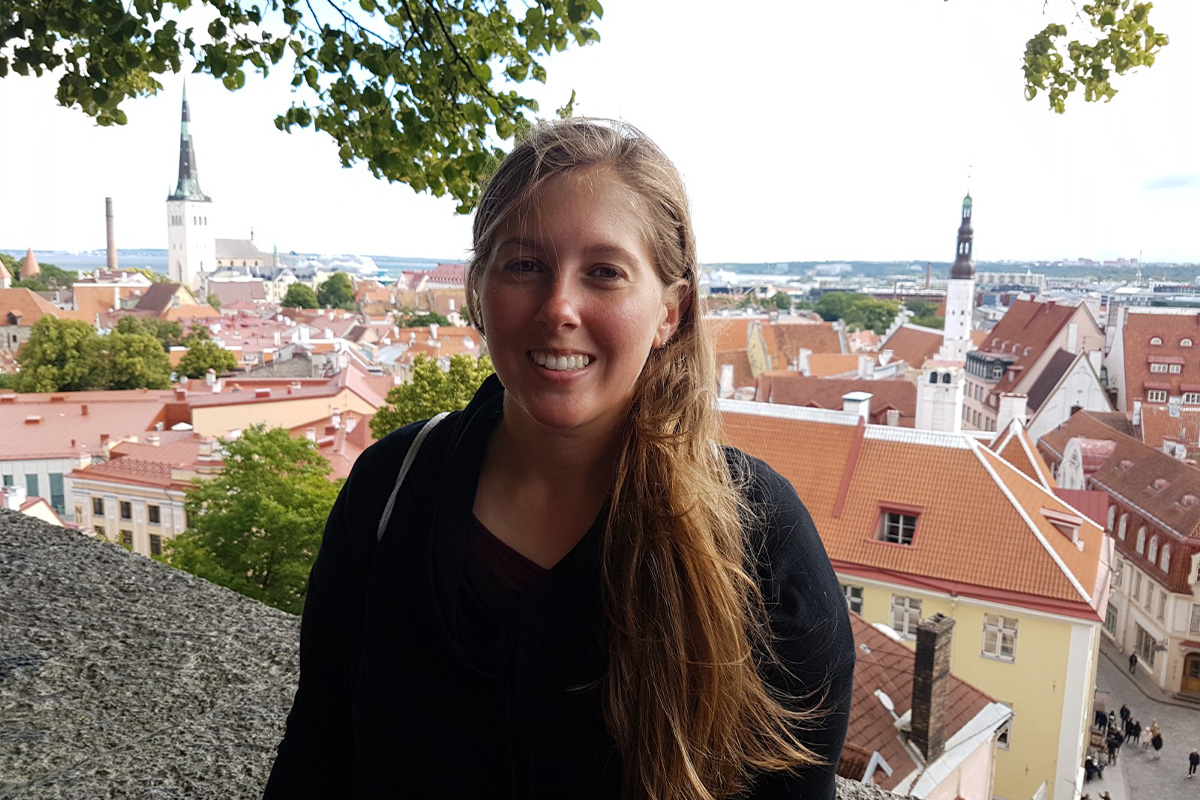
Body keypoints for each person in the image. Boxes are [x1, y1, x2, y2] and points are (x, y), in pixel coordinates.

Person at [263, 119, 856, 799]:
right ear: (480, 291)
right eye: (524, 265)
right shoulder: (391, 489)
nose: (558, 307)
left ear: (671, 311)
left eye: (604, 273)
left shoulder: (758, 542)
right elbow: (318, 753)